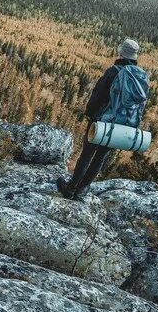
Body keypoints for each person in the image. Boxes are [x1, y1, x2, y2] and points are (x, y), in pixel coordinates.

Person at [57, 38, 148, 200]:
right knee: (101, 157)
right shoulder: (141, 77)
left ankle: (71, 188)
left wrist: (90, 113)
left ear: (121, 52)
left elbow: (98, 96)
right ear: (134, 56)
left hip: (101, 120)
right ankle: (82, 190)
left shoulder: (113, 71)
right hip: (121, 125)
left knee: (87, 154)